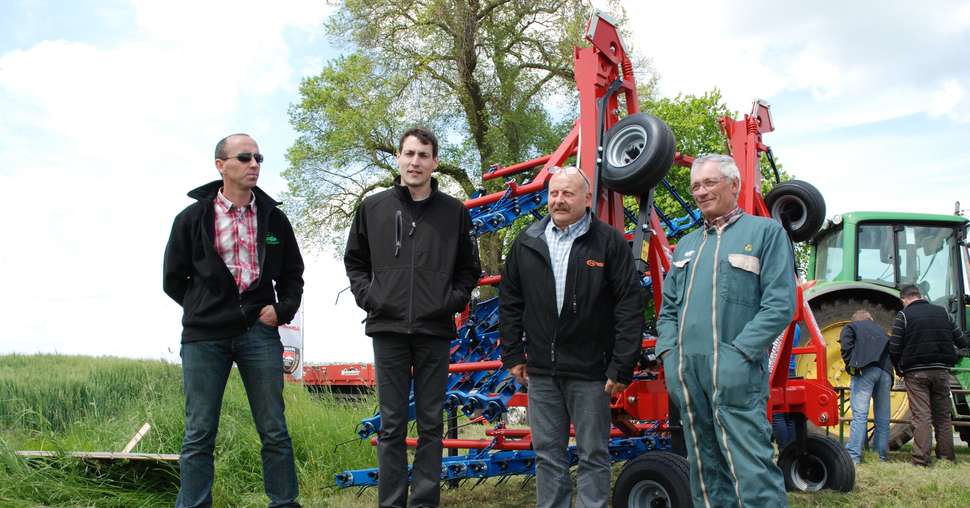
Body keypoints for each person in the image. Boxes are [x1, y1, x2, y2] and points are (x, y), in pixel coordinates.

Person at [163, 133, 305, 508]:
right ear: (220, 165)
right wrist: (203, 309)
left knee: (274, 430)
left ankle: (284, 503)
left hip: (258, 334)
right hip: (204, 338)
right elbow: (172, 279)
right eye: (244, 157)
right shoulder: (192, 219)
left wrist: (282, 309)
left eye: (258, 157)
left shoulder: (274, 219)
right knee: (199, 433)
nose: (254, 164)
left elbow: (292, 275)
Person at [344, 127, 481, 508]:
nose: (415, 161)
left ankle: (423, 502)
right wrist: (370, 297)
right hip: (387, 328)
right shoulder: (373, 208)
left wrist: (449, 302)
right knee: (390, 425)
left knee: (431, 424)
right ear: (398, 159)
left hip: (434, 330)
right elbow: (355, 261)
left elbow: (470, 269)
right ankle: (391, 503)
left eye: (423, 155)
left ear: (435, 162)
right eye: (409, 154)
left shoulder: (453, 212)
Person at [499, 166, 643, 508]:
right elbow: (510, 302)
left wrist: (622, 365)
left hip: (592, 372)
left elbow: (628, 306)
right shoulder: (527, 241)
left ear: (586, 198)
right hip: (543, 374)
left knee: (594, 454)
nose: (558, 200)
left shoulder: (608, 242)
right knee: (548, 455)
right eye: (553, 193)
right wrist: (513, 355)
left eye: (567, 193)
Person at [656, 154, 794, 507]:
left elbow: (779, 304)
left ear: (734, 185)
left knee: (751, 466)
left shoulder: (765, 233)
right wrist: (669, 355)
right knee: (704, 465)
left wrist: (739, 353)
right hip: (688, 376)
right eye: (695, 187)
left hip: (737, 373)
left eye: (709, 183)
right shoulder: (686, 245)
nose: (701, 192)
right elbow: (669, 309)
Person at [889, 284, 968, 466]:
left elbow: (894, 347)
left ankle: (921, 460)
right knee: (942, 416)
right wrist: (951, 357)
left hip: (916, 373)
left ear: (904, 299)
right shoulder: (943, 313)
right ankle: (946, 458)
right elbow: (962, 341)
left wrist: (899, 368)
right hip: (941, 372)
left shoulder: (904, 315)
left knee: (921, 416)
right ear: (920, 295)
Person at [839, 309, 893, 464]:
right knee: (883, 417)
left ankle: (853, 456)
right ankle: (880, 456)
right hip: (886, 372)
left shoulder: (852, 327)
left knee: (860, 415)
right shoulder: (882, 330)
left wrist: (851, 365)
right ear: (871, 318)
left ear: (855, 319)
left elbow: (846, 346)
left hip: (865, 371)